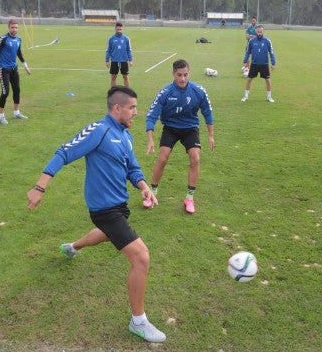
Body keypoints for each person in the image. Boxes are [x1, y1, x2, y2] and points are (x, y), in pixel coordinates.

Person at [27, 86, 165, 343]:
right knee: (141, 257)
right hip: (104, 210)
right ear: (117, 108)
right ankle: (138, 322)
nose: (136, 112)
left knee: (104, 236)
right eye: (132, 107)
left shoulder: (125, 136)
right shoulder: (99, 131)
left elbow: (132, 168)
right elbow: (64, 152)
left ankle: (73, 247)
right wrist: (39, 186)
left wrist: (144, 187)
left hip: (120, 207)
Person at [145, 59, 215, 214]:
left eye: (185, 75)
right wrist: (150, 139)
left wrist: (211, 135)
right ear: (173, 74)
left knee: (195, 158)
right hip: (170, 128)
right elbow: (151, 116)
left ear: (189, 73)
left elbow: (207, 112)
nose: (182, 79)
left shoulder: (198, 91)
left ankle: (189, 198)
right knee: (162, 158)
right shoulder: (165, 92)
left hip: (190, 128)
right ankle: (152, 193)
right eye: (179, 75)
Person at [0, 19, 31, 125]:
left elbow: (19, 53)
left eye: (16, 27)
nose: (14, 29)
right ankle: (1, 116)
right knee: (5, 93)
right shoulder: (3, 39)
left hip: (14, 69)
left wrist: (26, 66)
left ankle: (16, 112)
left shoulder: (18, 39)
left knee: (17, 90)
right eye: (12, 27)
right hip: (4, 69)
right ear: (8, 28)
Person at [241, 25, 276, 103]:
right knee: (249, 79)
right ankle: (245, 96)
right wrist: (245, 61)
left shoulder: (267, 41)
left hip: (264, 64)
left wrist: (273, 63)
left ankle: (269, 97)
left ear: (263, 32)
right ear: (256, 32)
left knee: (268, 80)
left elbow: (271, 52)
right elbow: (248, 52)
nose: (259, 33)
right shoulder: (251, 41)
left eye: (261, 32)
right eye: (258, 32)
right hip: (254, 64)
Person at [105, 22, 133, 88]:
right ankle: (113, 93)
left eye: (120, 29)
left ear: (122, 29)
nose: (119, 31)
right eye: (118, 29)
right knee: (113, 78)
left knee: (125, 77)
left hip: (124, 61)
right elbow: (108, 50)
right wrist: (107, 60)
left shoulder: (126, 39)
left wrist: (130, 60)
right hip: (114, 61)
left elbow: (129, 50)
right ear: (115, 29)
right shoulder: (111, 39)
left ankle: (127, 92)